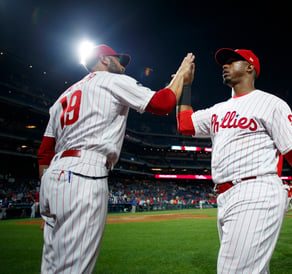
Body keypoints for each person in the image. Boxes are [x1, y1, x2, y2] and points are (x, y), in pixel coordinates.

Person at [176, 48, 292, 273]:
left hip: (257, 191)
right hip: (225, 196)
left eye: (232, 61)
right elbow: (185, 124)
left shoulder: (271, 104)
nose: (225, 65)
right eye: (225, 62)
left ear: (250, 67)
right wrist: (185, 84)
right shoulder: (218, 109)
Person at [37, 44, 195, 273]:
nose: (122, 64)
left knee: (51, 266)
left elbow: (44, 152)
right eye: (118, 59)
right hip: (84, 173)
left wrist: (47, 199)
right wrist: (182, 74)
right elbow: (163, 104)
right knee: (74, 267)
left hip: (53, 178)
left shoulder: (64, 95)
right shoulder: (111, 80)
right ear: (103, 59)